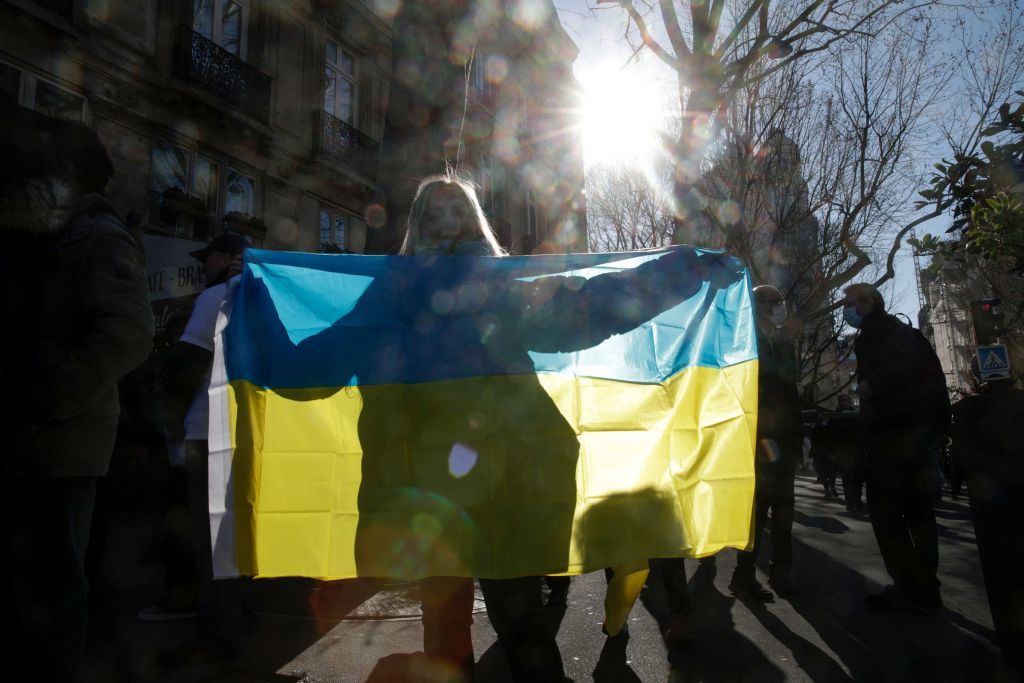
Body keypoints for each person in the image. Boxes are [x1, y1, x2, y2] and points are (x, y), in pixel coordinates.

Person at [0, 105, 154, 681]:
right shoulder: (42, 236)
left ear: (66, 167)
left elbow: (128, 332)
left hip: (57, 446)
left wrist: (48, 401)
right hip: (35, 440)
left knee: (50, 590)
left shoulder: (96, 236)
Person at [158, 232, 249, 664]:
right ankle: (229, 628)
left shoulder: (216, 297)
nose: (204, 266)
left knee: (210, 542)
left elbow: (187, 364)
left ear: (229, 259)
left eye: (209, 257)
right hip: (245, 432)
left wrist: (170, 423)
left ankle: (214, 638)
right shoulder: (256, 298)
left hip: (207, 431)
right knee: (229, 541)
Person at [842, 283, 950, 612]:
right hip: (916, 437)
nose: (846, 309)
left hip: (891, 438)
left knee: (888, 514)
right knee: (919, 514)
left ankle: (907, 585)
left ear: (866, 302)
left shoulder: (878, 331)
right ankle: (926, 588)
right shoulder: (902, 329)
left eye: (848, 303)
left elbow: (897, 371)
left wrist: (870, 386)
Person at [730, 285, 801, 601]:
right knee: (758, 513)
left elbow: (792, 385)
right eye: (775, 302)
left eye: (781, 301)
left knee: (784, 511)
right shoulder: (745, 337)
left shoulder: (780, 339)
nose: (780, 307)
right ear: (758, 305)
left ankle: (780, 572)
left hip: (783, 437)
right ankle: (744, 575)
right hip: (758, 437)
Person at [951, 365, 1024, 675]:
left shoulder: (967, 410)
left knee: (1000, 574)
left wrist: (955, 485)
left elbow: (957, 455)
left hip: (989, 501)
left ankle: (1014, 646)